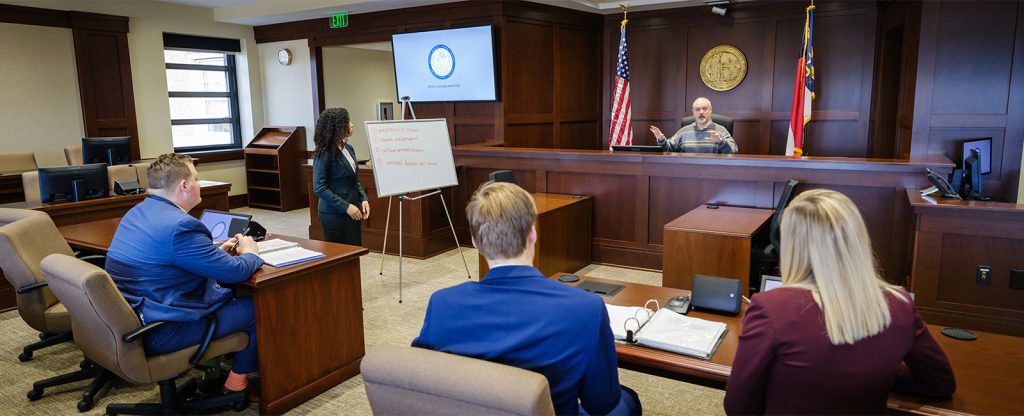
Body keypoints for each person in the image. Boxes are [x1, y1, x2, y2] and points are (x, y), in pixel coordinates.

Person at [412, 182, 641, 416]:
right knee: (628, 399)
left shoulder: (441, 304)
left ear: (474, 241)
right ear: (533, 232)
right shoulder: (586, 309)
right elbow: (601, 403)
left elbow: (420, 381)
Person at [723, 189, 955, 415]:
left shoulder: (769, 308)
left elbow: (738, 407)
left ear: (793, 247)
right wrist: (880, 371)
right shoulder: (899, 304)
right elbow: (941, 383)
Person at [105, 153, 264, 400]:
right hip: (163, 331)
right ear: (184, 186)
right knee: (259, 307)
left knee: (225, 294)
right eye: (197, 179)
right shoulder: (181, 226)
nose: (199, 184)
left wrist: (212, 255)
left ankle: (213, 372)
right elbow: (235, 272)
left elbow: (165, 259)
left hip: (132, 322)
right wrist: (250, 253)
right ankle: (236, 383)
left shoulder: (138, 212)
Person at [312, 107, 369, 245]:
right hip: (334, 213)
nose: (352, 124)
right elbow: (319, 187)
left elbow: (354, 180)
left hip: (353, 210)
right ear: (337, 127)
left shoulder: (349, 148)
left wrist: (363, 198)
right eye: (347, 122)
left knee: (354, 252)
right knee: (340, 256)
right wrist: (346, 206)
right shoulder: (324, 153)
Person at [650, 97, 738, 153]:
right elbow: (668, 149)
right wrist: (661, 139)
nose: (701, 112)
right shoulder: (684, 131)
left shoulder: (720, 130)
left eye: (704, 109)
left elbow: (734, 151)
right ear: (693, 112)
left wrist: (720, 141)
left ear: (710, 111)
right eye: (697, 109)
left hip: (713, 174)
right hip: (687, 174)